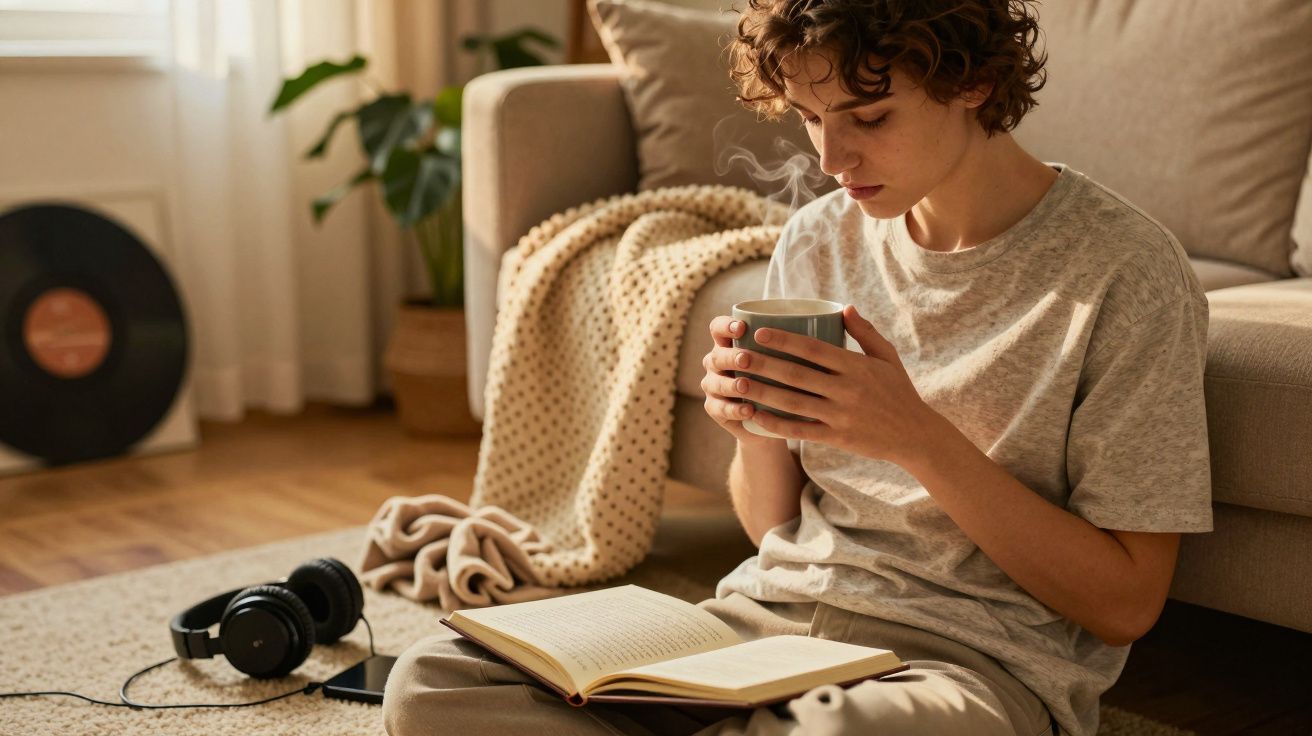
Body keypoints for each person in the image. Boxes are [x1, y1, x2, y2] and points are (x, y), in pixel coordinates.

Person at [382, 1, 1213, 734]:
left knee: (841, 731)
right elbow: (772, 532)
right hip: (755, 633)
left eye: (870, 116)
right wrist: (749, 428)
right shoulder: (821, 238)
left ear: (976, 84)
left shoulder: (1125, 271)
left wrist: (917, 438)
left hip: (955, 670)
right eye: (813, 119)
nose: (833, 158)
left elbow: (1124, 604)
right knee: (433, 683)